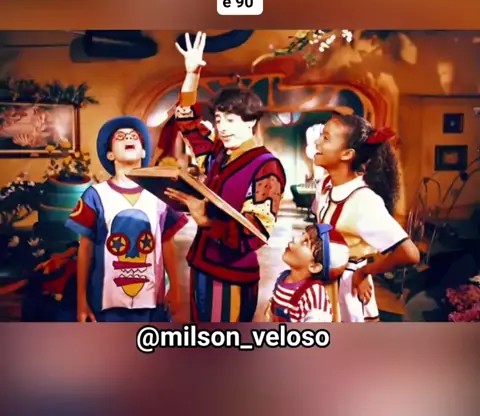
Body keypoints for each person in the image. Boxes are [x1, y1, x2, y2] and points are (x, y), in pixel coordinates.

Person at [164, 31, 287, 323]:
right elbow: (187, 121)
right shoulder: (218, 154)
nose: (222, 127)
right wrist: (192, 74)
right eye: (218, 120)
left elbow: (256, 232)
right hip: (201, 264)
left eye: (231, 120)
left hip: (232, 275)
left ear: (252, 122)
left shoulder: (266, 167)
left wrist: (206, 220)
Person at [65, 116, 188, 322]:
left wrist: (175, 288)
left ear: (143, 151)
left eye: (133, 136)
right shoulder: (95, 196)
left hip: (152, 301)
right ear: (110, 154)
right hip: (105, 302)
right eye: (120, 137)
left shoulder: (160, 194)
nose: (128, 138)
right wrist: (81, 300)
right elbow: (85, 249)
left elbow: (167, 242)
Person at [313, 114, 420, 322]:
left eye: (325, 138)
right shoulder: (325, 185)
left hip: (348, 289)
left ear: (347, 154)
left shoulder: (363, 200)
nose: (317, 142)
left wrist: (364, 271)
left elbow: (409, 253)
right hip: (324, 284)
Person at [265, 223, 349, 323]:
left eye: (305, 242)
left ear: (314, 267)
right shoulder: (283, 277)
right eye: (302, 234)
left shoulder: (315, 295)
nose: (295, 239)